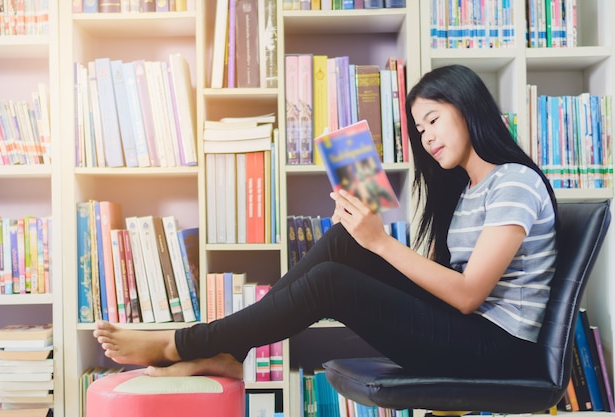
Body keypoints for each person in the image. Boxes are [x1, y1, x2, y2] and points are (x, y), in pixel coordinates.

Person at [94, 64, 558, 381]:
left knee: (333, 280)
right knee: (342, 242)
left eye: (433, 120)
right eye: (419, 130)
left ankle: (185, 343)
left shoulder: (513, 182)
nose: (427, 138)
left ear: (467, 107)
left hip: (497, 351)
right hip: (468, 333)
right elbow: (441, 287)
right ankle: (229, 352)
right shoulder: (468, 191)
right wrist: (365, 236)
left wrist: (381, 243)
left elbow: (468, 293)